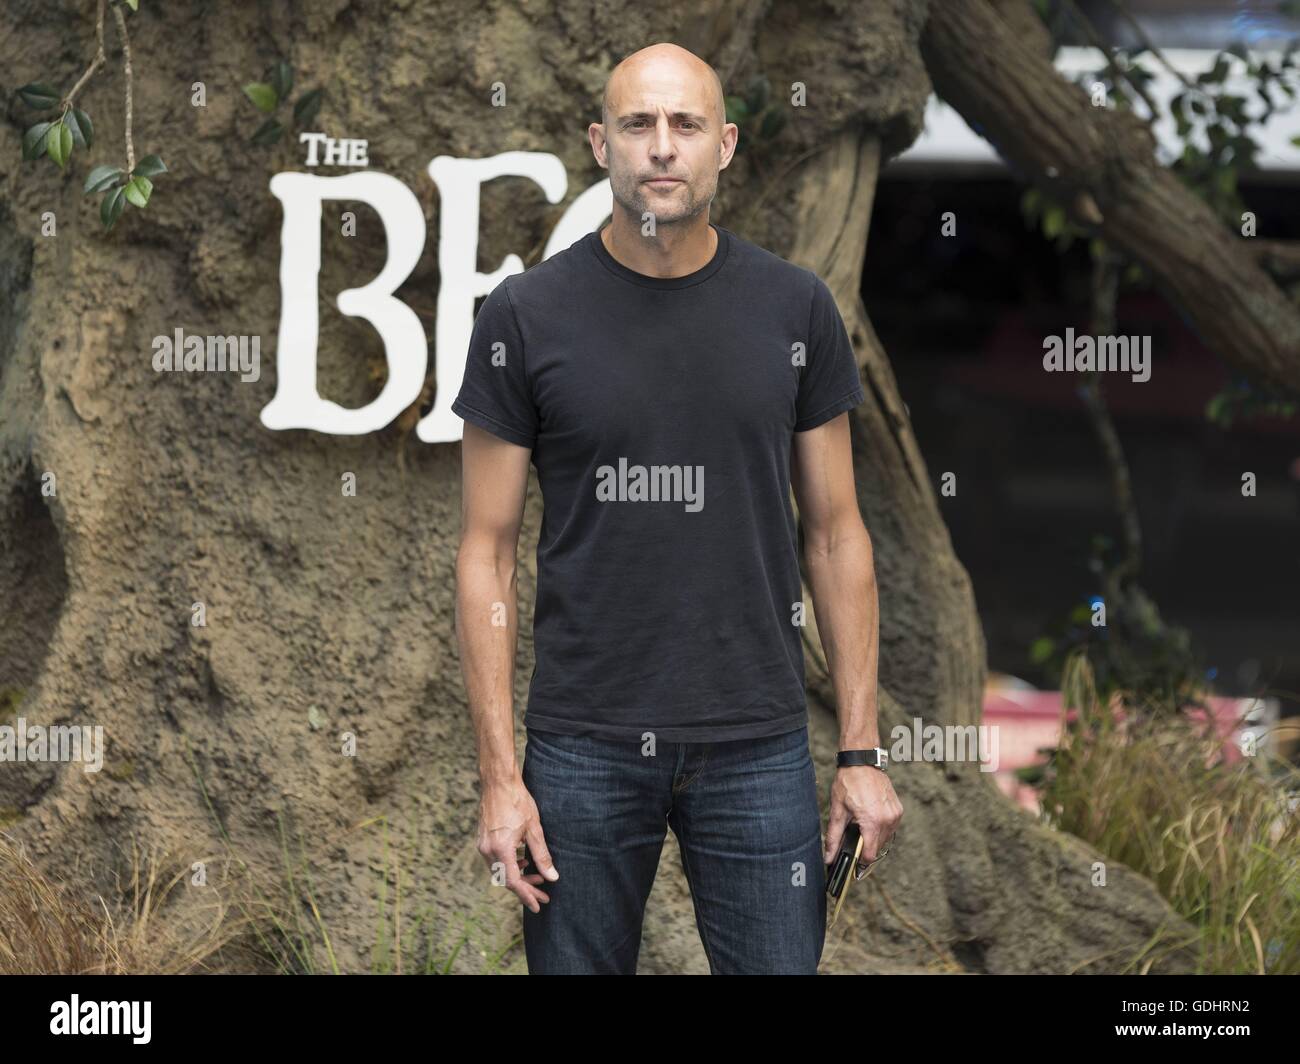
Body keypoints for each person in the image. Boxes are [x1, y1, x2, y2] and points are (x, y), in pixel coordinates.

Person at [453, 41, 902, 974]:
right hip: (580, 747)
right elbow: (485, 554)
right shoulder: (524, 317)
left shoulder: (795, 311)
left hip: (759, 743)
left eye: (685, 125)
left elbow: (836, 534)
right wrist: (501, 778)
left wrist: (858, 752)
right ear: (600, 143)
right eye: (637, 125)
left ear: (725, 145)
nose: (662, 147)